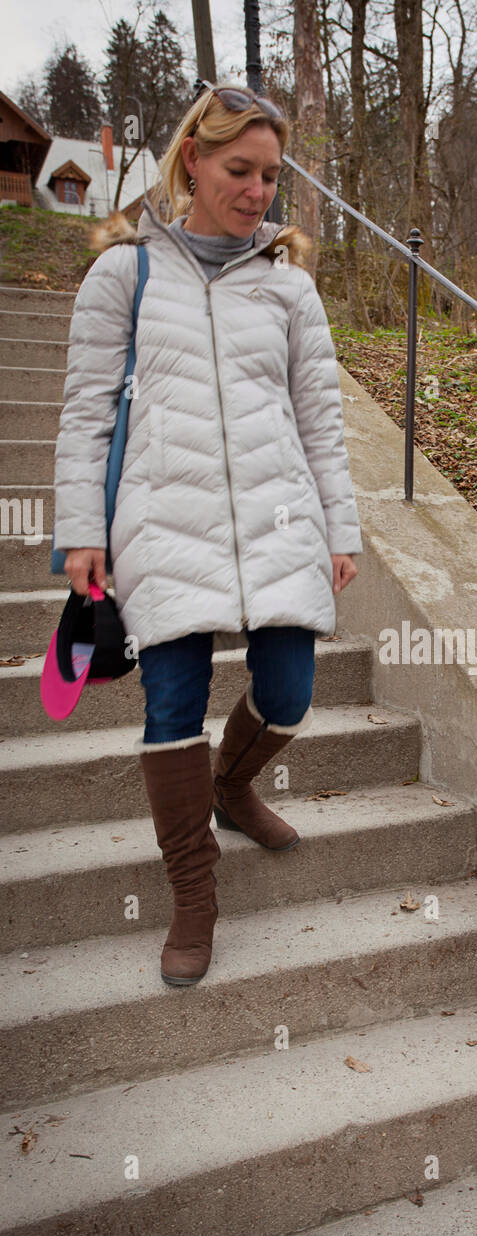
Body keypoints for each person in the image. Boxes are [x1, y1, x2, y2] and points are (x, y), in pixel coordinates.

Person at [52, 83, 363, 985]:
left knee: (292, 692)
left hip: (278, 520)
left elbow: (321, 421)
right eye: (240, 169)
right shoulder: (125, 271)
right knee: (171, 709)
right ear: (193, 159)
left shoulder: (290, 287)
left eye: (271, 175)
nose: (259, 190)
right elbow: (83, 416)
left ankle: (234, 786)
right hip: (163, 520)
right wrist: (81, 530)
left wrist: (337, 525)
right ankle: (195, 892)